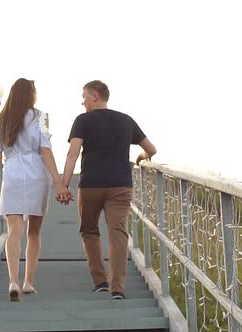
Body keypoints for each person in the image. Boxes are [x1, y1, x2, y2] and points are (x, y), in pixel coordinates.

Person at [0, 78, 71, 302]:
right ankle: (28, 282)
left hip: (14, 175)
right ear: (31, 94)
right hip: (38, 174)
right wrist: (59, 182)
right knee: (34, 232)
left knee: (13, 232)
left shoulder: (2, 118)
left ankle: (13, 281)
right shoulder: (41, 116)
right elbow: (46, 150)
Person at [60, 80, 156, 300]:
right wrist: (140, 157)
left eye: (84, 96)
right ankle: (117, 288)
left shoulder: (82, 120)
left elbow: (72, 155)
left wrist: (64, 185)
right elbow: (151, 149)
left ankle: (100, 281)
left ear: (94, 96)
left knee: (89, 231)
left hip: (91, 186)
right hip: (121, 186)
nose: (82, 101)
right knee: (118, 234)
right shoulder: (126, 120)